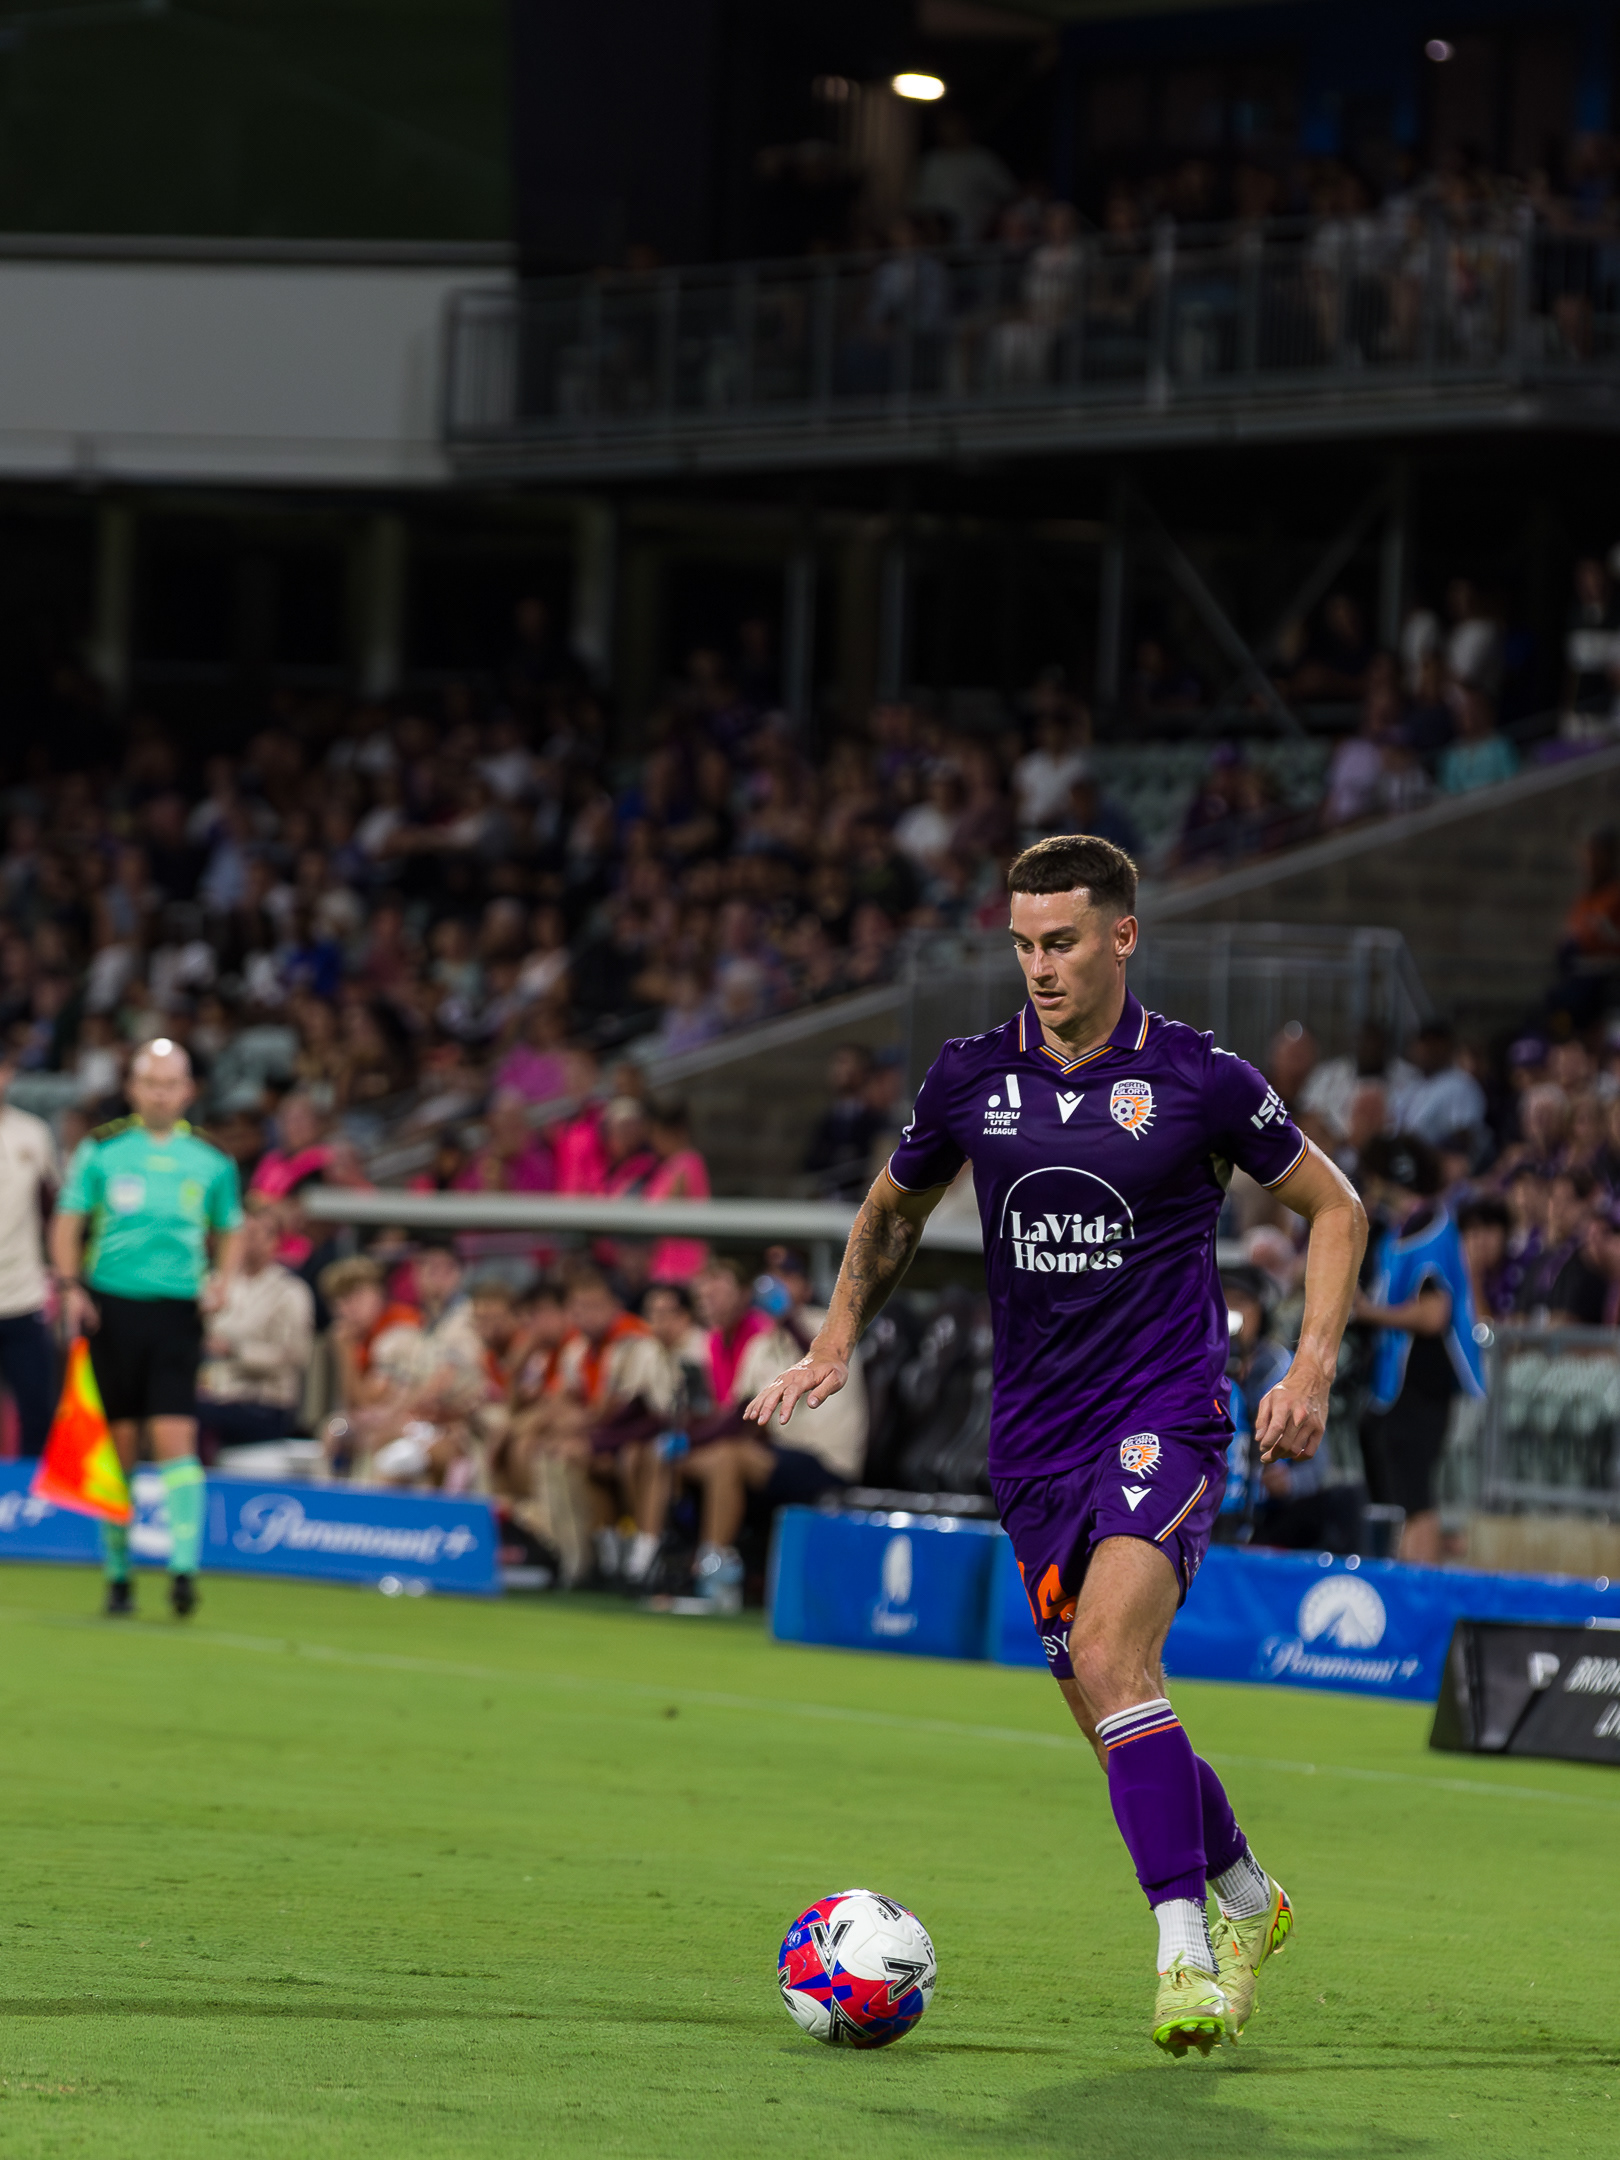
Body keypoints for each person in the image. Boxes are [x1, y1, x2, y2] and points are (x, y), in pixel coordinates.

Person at [747, 832, 1366, 2057]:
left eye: (1063, 942)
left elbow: (1335, 1206)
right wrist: (832, 1344)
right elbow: (891, 1212)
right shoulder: (970, 1076)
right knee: (1111, 1708)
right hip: (1033, 1441)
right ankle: (1248, 1896)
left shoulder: (1200, 1078)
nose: (1040, 965)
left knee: (1110, 1654)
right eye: (1024, 943)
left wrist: (1310, 1366)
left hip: (1165, 1413)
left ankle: (1183, 1954)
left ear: (1122, 936)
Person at [50, 1038, 244, 1618]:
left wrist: (223, 1279)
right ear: (133, 1088)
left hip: (177, 1312)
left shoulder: (211, 1159)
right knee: (120, 1447)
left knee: (175, 1435)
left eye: (171, 1084)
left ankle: (184, 1569)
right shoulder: (103, 1150)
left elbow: (232, 1227)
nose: (161, 1094)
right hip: (111, 1308)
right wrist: (70, 1286)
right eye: (151, 1083)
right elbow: (67, 1222)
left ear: (188, 1091)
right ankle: (118, 1575)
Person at [1354, 1135, 1484, 1567]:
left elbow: (1434, 1314)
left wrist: (1368, 1312)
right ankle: (1404, 1583)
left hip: (1424, 1378)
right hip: (1398, 1384)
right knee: (1403, 1499)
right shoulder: (1402, 1228)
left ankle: (1420, 1590)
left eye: (1375, 1179)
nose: (1370, 1189)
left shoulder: (1428, 1227)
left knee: (1417, 1498)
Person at [195, 1198, 315, 1456]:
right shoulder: (217, 1283)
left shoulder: (290, 1292)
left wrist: (236, 1351)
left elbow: (295, 1356)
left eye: (257, 1233)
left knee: (195, 1417)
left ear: (274, 1240)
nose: (249, 1240)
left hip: (263, 1401)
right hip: (214, 1392)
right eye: (244, 1233)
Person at [0, 1051, 60, 1457]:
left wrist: (62, 1276)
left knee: (37, 1411)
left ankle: (32, 1493)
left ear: (8, 1073)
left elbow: (54, 1210)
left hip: (22, 1294)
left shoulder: (34, 1134)